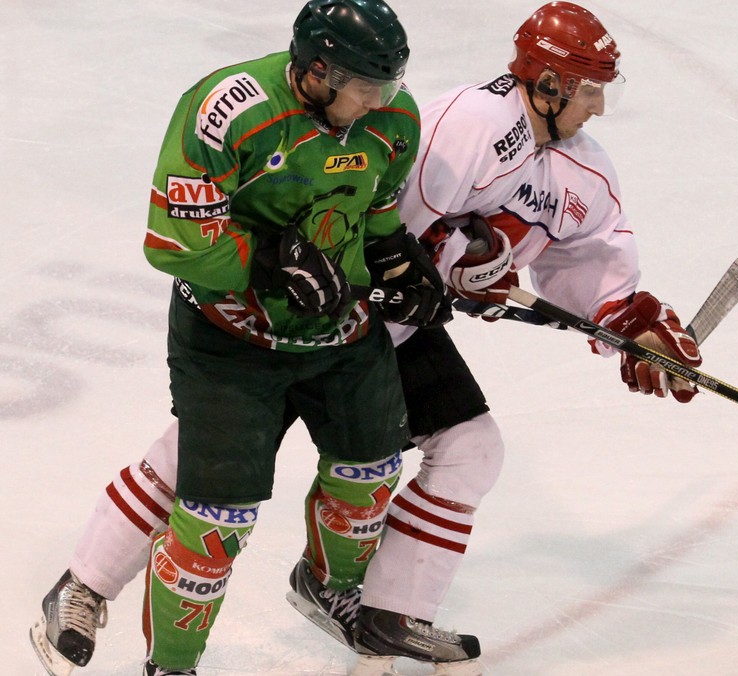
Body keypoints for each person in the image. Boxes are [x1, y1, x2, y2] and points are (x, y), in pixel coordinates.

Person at [30, 1, 702, 672]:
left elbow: (564, 256)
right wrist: (398, 272)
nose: (599, 109)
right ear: (550, 83)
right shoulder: (466, 127)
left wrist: (633, 325)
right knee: (210, 479)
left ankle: (373, 607)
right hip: (298, 320)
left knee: (450, 453)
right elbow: (357, 221)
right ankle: (88, 587)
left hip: (376, 330)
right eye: (589, 90)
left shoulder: (562, 164)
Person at [29, 1, 448, 674]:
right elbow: (173, 243)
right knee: (215, 525)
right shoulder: (230, 111)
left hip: (339, 334)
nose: (378, 104)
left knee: (368, 476)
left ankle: (332, 589)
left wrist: (397, 257)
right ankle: (172, 665)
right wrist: (265, 264)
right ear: (316, 72)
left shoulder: (392, 119)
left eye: (387, 87)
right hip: (230, 338)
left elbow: (373, 210)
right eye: (364, 88)